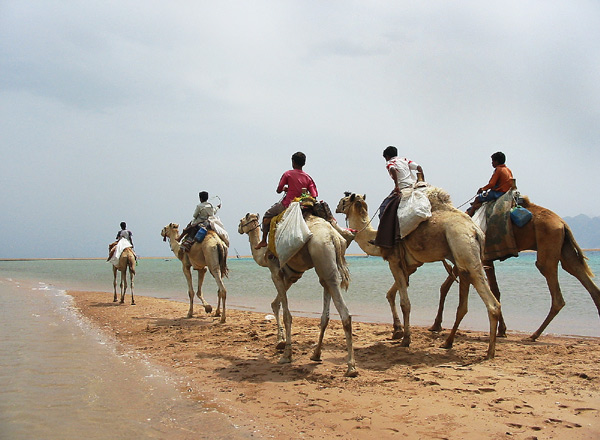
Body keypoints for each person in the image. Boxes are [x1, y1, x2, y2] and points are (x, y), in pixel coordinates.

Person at [255, 151, 318, 249]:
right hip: (304, 206)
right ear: (304, 163)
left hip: (288, 204)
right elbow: (314, 195)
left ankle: (263, 241)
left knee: (267, 216)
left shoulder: (288, 174)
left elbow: (279, 189)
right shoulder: (308, 178)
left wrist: (285, 189)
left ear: (293, 162)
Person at [374, 146, 424, 247]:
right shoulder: (405, 160)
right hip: (414, 185)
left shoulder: (389, 163)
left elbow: (392, 169)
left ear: (387, 156)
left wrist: (396, 185)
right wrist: (422, 180)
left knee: (383, 208)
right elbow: (419, 167)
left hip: (403, 187)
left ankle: (386, 237)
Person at [466, 151, 514, 216]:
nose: (492, 163)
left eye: (493, 161)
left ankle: (470, 216)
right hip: (507, 193)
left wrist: (482, 189)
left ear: (497, 161)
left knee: (477, 199)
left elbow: (492, 184)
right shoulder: (508, 170)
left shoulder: (498, 169)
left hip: (498, 193)